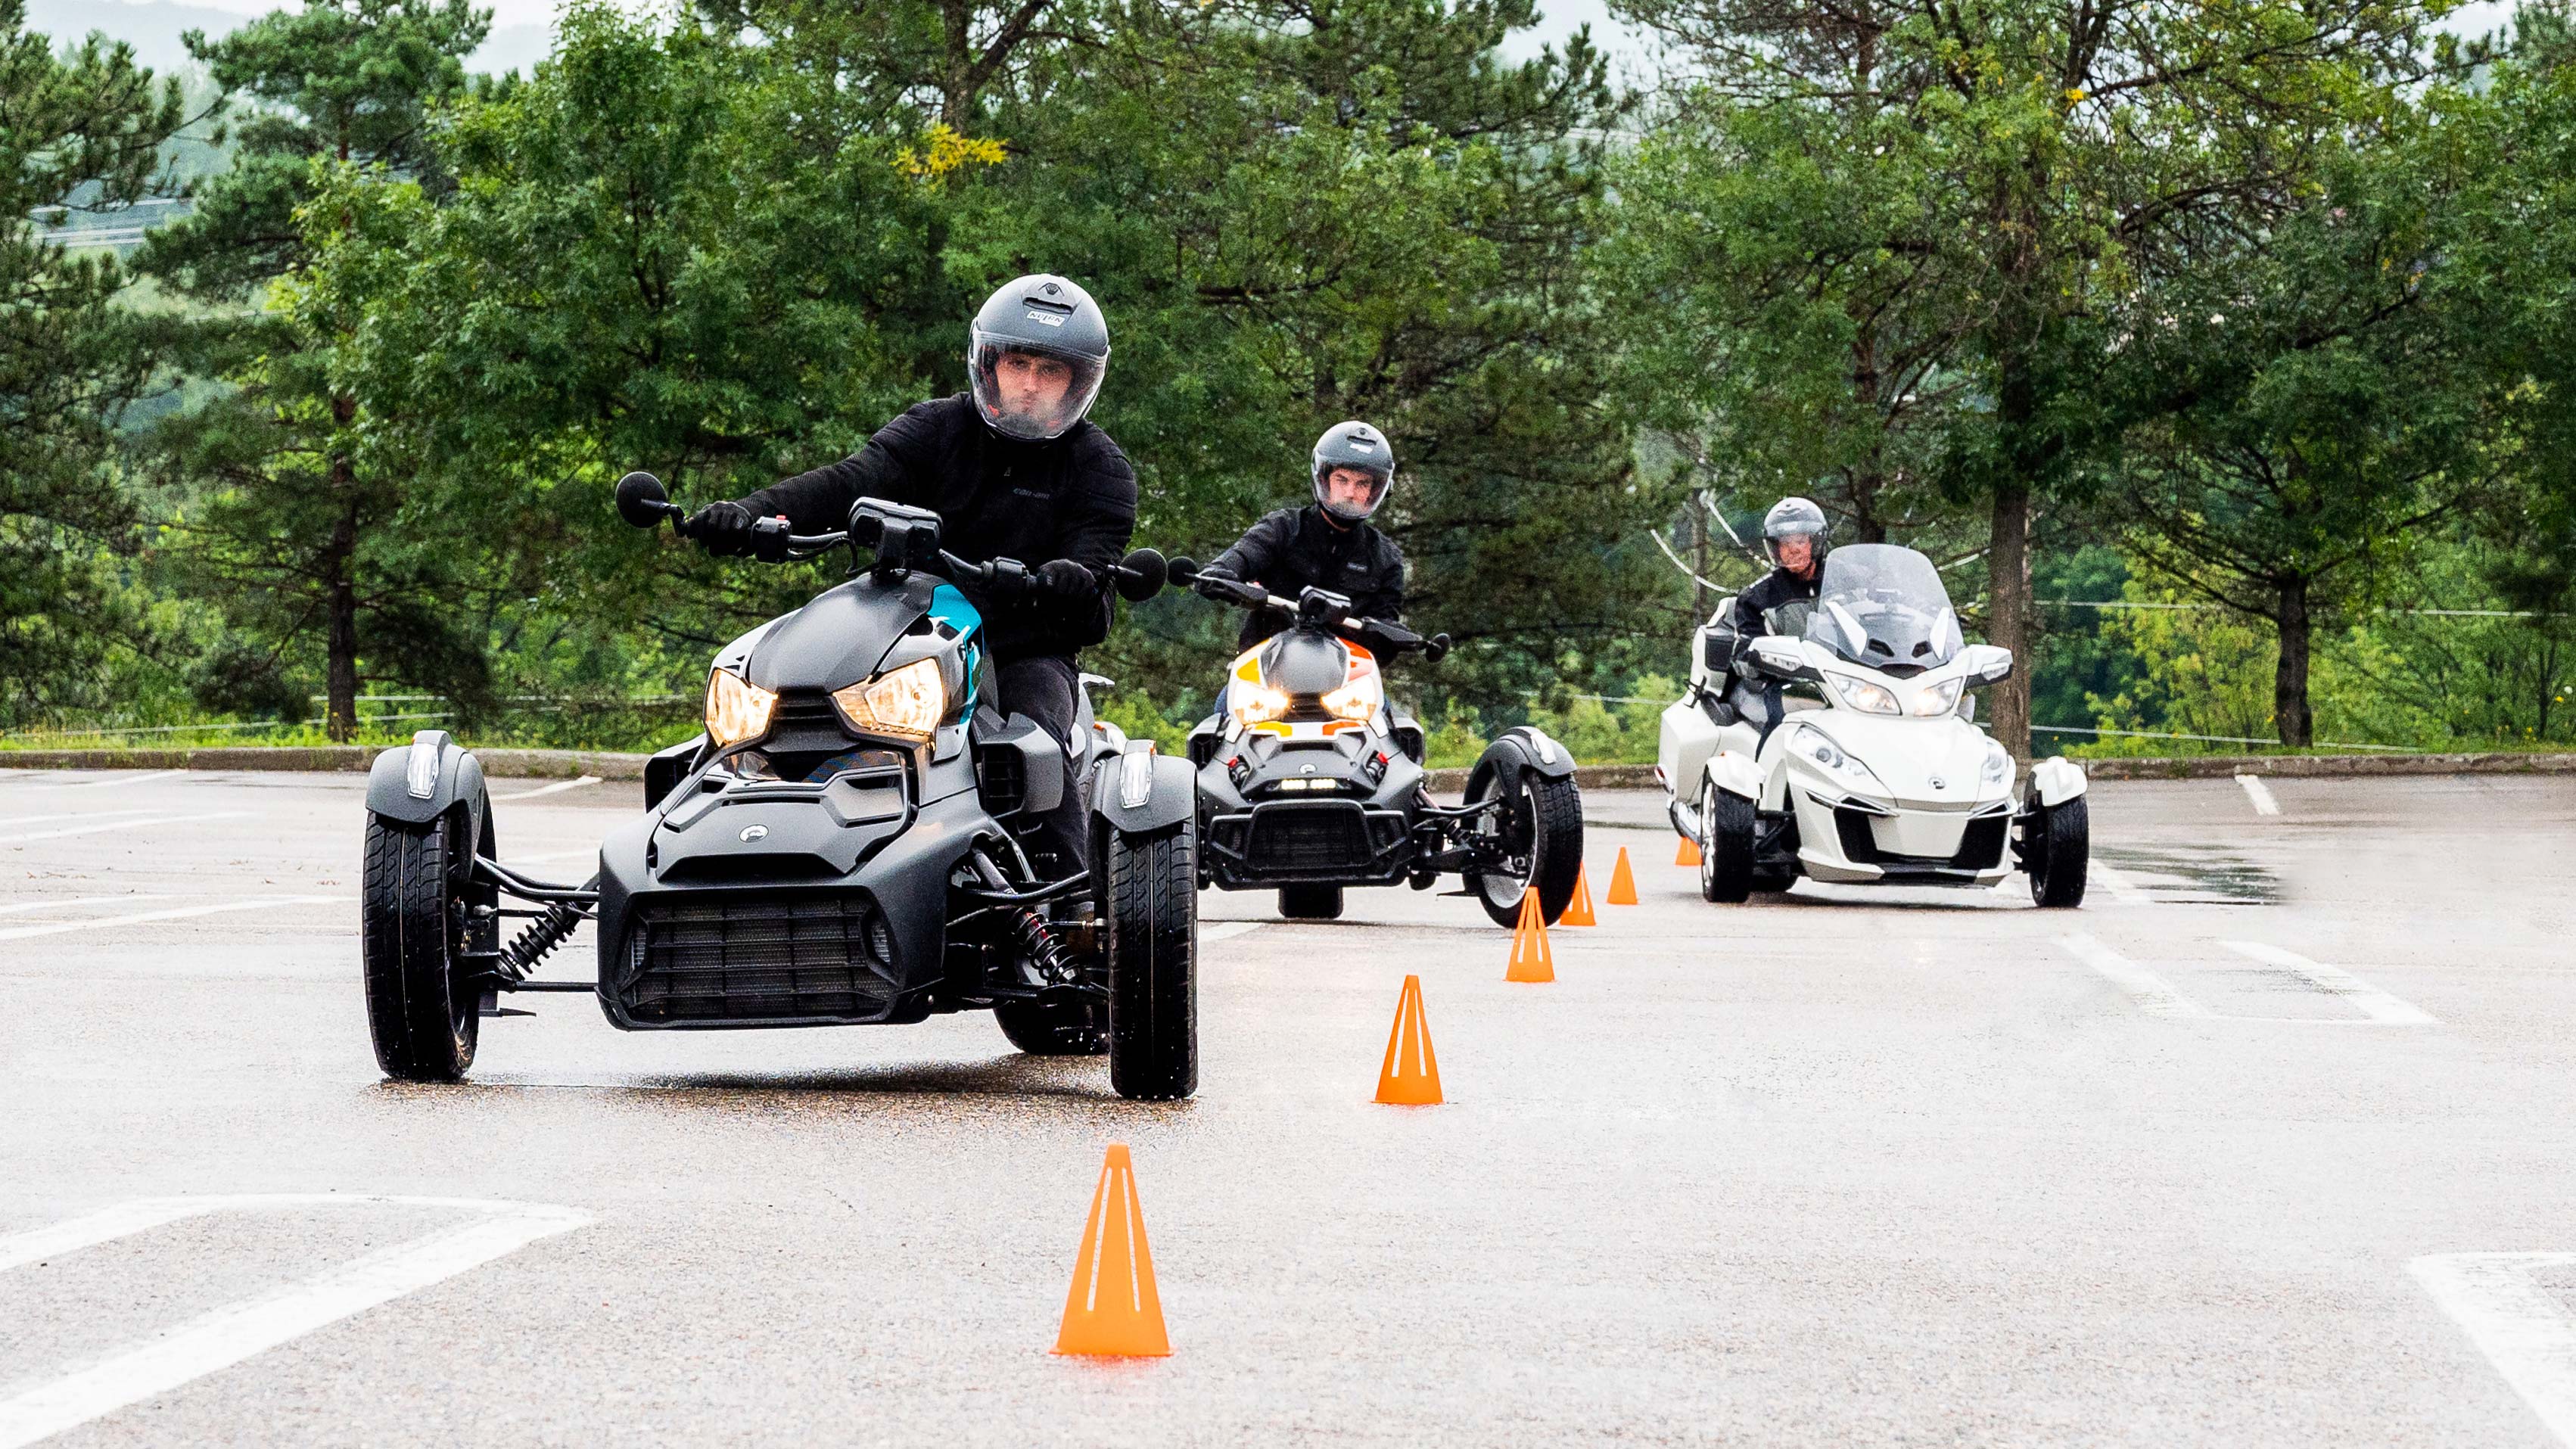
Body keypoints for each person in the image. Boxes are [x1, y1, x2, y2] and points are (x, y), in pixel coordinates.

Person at [684, 273, 1134, 878]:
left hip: (1022, 648)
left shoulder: (1100, 469)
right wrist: (748, 514)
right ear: (989, 362)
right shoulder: (935, 429)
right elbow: (845, 483)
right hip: (902, 640)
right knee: (747, 718)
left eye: (1049, 371)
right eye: (1019, 362)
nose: (1030, 384)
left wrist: (1071, 579)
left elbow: (1097, 573)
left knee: (1035, 750)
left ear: (1077, 384)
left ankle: (1069, 922)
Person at [1201, 421, 1407, 653]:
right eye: (1342, 480)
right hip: (1266, 662)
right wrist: (1218, 574)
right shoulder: (1282, 527)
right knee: (1230, 692)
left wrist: (1395, 636)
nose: (1350, 493)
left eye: (1362, 483)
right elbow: (1242, 556)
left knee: (1379, 692)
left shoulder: (1386, 559)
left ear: (1377, 490)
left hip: (1344, 675)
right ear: (1323, 478)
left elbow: (1385, 638)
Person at [1720, 496, 1829, 742]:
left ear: (1816, 541)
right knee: (1783, 726)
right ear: (1775, 548)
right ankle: (1771, 778)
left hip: (1836, 680)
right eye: (1785, 542)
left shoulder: (1843, 584)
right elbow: (1745, 655)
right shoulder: (1756, 597)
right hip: (1778, 684)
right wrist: (1773, 659)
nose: (1793, 549)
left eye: (1801, 540)